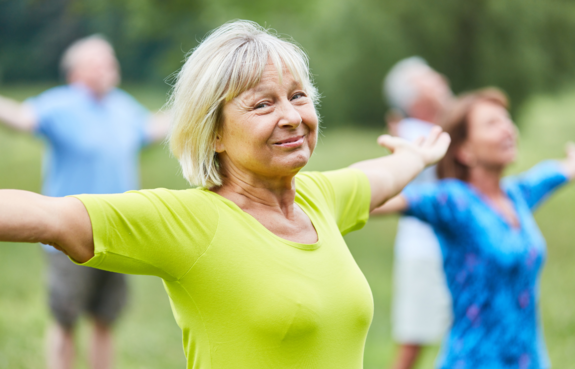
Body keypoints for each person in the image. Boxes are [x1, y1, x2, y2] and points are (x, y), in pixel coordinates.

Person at [0, 20, 452, 369]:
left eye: (297, 95)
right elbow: (50, 217)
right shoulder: (191, 222)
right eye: (262, 104)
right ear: (213, 133)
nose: (292, 116)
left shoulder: (320, 198)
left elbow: (376, 176)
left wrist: (414, 157)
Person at [372, 88, 575, 368]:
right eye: (492, 124)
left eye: (506, 120)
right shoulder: (453, 201)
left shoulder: (517, 195)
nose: (507, 129)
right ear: (464, 150)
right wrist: (403, 163)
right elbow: (371, 200)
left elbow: (552, 173)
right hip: (474, 360)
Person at [0, 35, 170, 369]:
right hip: (67, 234)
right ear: (76, 72)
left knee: (105, 320)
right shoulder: (61, 104)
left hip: (118, 233)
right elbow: (21, 118)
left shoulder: (122, 106)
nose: (110, 66)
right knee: (65, 321)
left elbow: (152, 128)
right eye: (100, 61)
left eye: (111, 59)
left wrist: (206, 101)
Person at [382, 57, 454, 369]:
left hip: (441, 247)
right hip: (424, 252)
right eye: (428, 79)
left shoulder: (427, 128)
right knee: (413, 344)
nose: (439, 78)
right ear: (415, 98)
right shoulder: (415, 132)